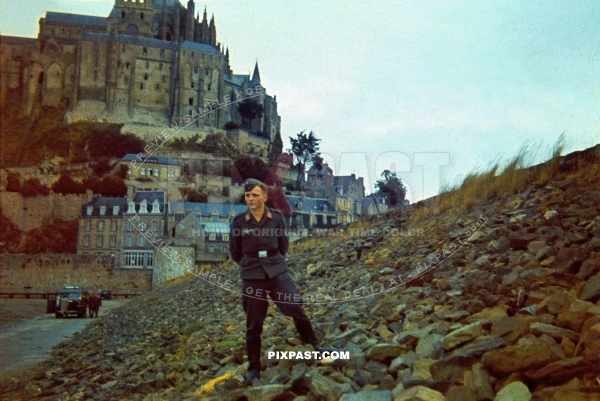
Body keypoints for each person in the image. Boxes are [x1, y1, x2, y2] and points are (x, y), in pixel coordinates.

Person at [230, 179, 333, 385]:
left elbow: (283, 245)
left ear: (265, 197)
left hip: (277, 270)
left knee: (294, 305)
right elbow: (235, 252)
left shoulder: (276, 219)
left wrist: (274, 262)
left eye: (255, 195)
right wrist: (250, 264)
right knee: (254, 323)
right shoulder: (239, 222)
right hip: (252, 275)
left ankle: (314, 345)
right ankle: (254, 369)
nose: (251, 199)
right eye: (248, 195)